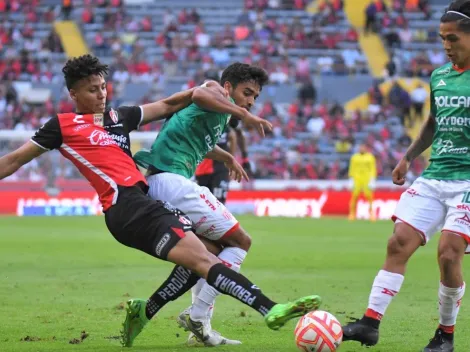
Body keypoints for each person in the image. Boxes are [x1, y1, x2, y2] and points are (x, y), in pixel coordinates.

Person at [0, 54, 322, 348]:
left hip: (145, 202)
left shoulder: (117, 117)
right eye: (91, 90)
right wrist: (226, 102)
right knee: (209, 258)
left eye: (103, 87)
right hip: (125, 208)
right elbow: (14, 160)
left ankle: (150, 309)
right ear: (73, 94)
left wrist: (208, 104)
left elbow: (169, 104)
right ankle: (268, 308)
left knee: (209, 254)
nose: (100, 95)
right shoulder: (62, 126)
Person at [342, 3, 470, 351]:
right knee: (398, 242)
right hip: (436, 175)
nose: (446, 44)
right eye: (442, 38)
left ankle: (445, 335)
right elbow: (433, 122)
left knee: (448, 252)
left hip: (468, 182)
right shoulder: (440, 76)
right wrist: (407, 157)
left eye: (453, 38)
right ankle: (370, 323)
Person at [132, 62, 276, 346]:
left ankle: (199, 327)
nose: (250, 100)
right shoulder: (212, 89)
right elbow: (199, 93)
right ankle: (197, 315)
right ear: (227, 87)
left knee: (210, 252)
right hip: (171, 182)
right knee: (240, 241)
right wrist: (244, 113)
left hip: (164, 185)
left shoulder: (217, 115)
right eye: (247, 92)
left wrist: (228, 158)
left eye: (255, 97)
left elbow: (201, 143)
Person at [348, 144, 377, 221]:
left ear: (366, 148)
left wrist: (372, 179)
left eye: (363, 147)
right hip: (356, 179)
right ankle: (352, 214)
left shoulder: (370, 157)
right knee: (354, 196)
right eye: (360, 147)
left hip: (367, 179)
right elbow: (352, 168)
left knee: (369, 197)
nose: (362, 149)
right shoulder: (354, 157)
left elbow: (372, 168)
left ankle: (371, 214)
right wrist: (351, 178)